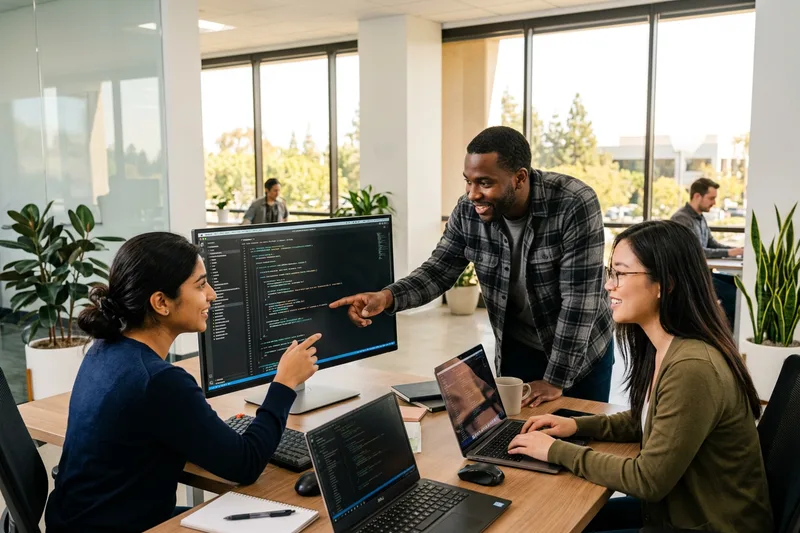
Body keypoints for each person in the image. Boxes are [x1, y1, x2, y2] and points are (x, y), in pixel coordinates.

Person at [45, 232, 321, 533]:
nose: (212, 294)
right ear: (161, 302)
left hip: (77, 520)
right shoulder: (160, 381)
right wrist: (284, 384)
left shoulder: (105, 348)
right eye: (201, 285)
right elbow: (246, 464)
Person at [507, 220, 772, 533]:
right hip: (676, 511)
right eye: (611, 272)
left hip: (711, 525)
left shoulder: (693, 367)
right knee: (557, 518)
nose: (609, 285)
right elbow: (647, 420)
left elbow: (648, 479)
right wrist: (576, 425)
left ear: (665, 283)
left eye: (620, 273)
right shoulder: (665, 347)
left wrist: (554, 451)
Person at [330, 126, 613, 406]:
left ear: (519, 178)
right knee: (516, 440)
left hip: (580, 353)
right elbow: (438, 271)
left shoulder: (573, 203)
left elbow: (580, 300)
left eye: (485, 183)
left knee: (583, 438)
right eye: (468, 181)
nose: (472, 194)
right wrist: (387, 297)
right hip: (519, 349)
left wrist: (555, 380)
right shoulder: (468, 212)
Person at [670, 177, 744, 258]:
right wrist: (728, 253)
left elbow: (712, 244)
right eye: (711, 198)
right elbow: (695, 252)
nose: (714, 202)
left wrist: (737, 250)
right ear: (697, 196)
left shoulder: (700, 217)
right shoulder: (681, 219)